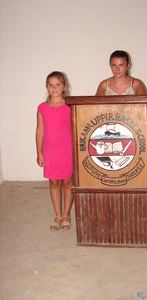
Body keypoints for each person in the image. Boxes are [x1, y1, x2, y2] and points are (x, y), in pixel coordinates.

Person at [36, 71, 73, 230]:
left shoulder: (70, 105)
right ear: (47, 87)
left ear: (64, 87)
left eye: (58, 84)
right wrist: (39, 152)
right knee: (54, 182)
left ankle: (66, 215)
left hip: (67, 150)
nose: (54, 88)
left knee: (67, 182)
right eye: (51, 85)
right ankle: (57, 215)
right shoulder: (42, 107)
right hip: (50, 150)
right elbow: (39, 131)